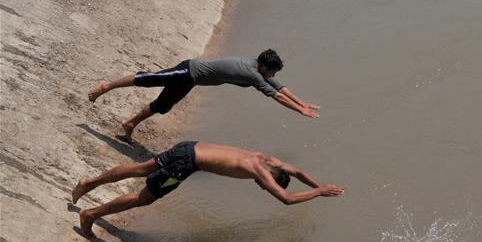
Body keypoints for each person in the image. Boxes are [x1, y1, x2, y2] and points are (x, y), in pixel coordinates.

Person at [71, 141, 344, 239]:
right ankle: (91, 214)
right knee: (144, 198)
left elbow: (296, 171)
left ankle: (88, 183)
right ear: (269, 179)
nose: (261, 186)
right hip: (186, 163)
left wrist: (319, 184)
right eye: (264, 186)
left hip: (188, 146)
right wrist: (319, 193)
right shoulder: (262, 171)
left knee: (141, 168)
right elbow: (285, 198)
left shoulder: (268, 159)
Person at [87, 49, 319, 142]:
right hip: (189, 70)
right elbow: (275, 96)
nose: (273, 75)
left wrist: (302, 102)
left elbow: (279, 87)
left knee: (163, 105)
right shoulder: (252, 75)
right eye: (273, 71)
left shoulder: (256, 68)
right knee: (148, 78)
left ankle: (129, 124)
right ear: (265, 67)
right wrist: (300, 111)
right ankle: (107, 86)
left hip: (192, 79)